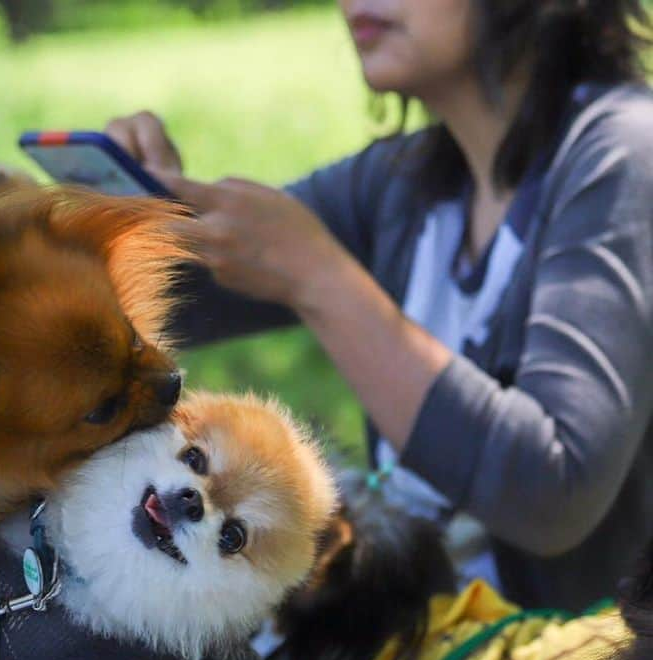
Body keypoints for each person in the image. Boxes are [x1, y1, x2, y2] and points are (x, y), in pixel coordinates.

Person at [106, 0, 653, 611]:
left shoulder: (625, 156)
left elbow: (552, 492)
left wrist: (320, 278)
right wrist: (120, 218)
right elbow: (166, 305)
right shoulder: (404, 180)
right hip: (395, 652)